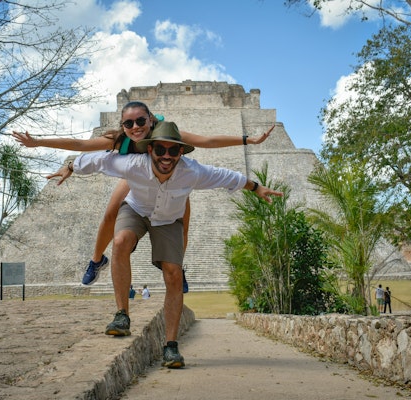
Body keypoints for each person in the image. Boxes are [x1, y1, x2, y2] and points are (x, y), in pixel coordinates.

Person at [52, 121, 283, 368]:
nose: (166, 156)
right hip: (137, 210)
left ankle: (171, 346)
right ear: (149, 150)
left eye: (173, 151)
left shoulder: (192, 171)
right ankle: (122, 315)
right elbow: (98, 160)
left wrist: (256, 187)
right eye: (160, 150)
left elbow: (227, 176)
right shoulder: (132, 164)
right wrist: (70, 166)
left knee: (173, 275)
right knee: (120, 241)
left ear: (181, 153)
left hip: (168, 219)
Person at [13, 101, 274, 288]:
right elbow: (81, 145)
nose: (136, 127)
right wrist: (40, 143)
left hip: (171, 178)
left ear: (151, 120)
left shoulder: (168, 135)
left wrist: (246, 140)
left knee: (182, 222)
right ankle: (96, 260)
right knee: (111, 213)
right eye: (129, 123)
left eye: (141, 121)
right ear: (123, 125)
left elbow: (206, 141)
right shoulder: (120, 140)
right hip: (136, 175)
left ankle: (177, 267)